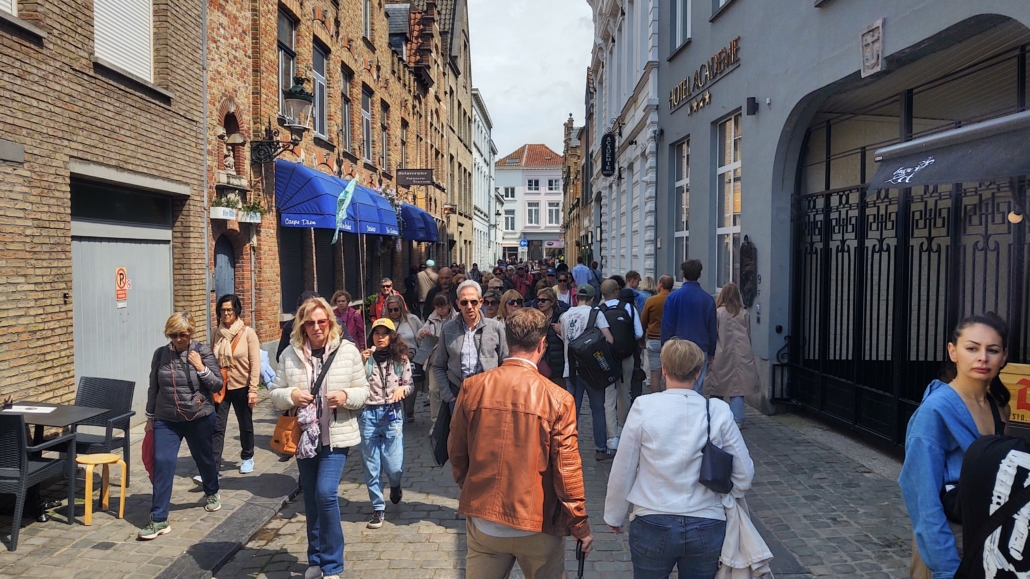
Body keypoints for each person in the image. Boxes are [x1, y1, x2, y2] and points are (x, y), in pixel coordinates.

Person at [449, 308, 594, 578]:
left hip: (486, 523)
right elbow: (567, 470)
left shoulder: (473, 387)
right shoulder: (558, 398)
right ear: (542, 344)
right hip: (537, 523)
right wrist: (579, 524)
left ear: (508, 340)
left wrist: (472, 486)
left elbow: (456, 452)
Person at [604, 338, 754, 579]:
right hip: (706, 521)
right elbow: (744, 474)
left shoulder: (644, 406)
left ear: (663, 369)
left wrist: (614, 514)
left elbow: (624, 467)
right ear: (697, 373)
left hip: (652, 518)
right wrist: (724, 497)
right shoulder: (717, 410)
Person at [899, 313, 1010, 579]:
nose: (982, 357)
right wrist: (947, 569)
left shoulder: (998, 406)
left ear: (1004, 356)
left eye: (992, 350)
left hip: (987, 540)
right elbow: (922, 501)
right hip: (947, 546)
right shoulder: (935, 412)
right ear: (953, 351)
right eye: (972, 348)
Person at [269, 297, 370, 579]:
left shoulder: (347, 352)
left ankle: (333, 564)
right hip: (304, 438)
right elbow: (274, 393)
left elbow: (363, 391)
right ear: (302, 325)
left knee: (325, 494)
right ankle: (315, 559)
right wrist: (291, 395)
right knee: (311, 499)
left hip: (336, 436)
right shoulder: (290, 354)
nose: (316, 327)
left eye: (321, 321)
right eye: (310, 322)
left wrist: (346, 396)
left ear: (330, 323)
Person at [140, 312, 223, 540]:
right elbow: (153, 387)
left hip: (198, 416)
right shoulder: (160, 355)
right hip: (166, 419)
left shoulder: (202, 351)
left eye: (182, 335)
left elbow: (217, 384)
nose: (178, 340)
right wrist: (149, 417)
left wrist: (201, 368)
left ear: (191, 333)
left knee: (204, 458)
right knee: (163, 462)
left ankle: (212, 490)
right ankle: (159, 519)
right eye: (173, 335)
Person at [358, 318, 414, 530]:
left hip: (391, 414)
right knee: (371, 464)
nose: (380, 337)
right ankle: (378, 507)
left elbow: (409, 384)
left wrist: (403, 391)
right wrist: (360, 363)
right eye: (376, 333)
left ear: (392, 336)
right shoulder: (366, 359)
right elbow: (354, 383)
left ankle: (396, 484)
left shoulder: (400, 360)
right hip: (368, 414)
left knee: (393, 465)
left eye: (384, 333)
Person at [432, 280, 508, 411]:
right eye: (464, 302)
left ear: (480, 302)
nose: (469, 306)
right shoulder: (448, 329)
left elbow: (506, 363)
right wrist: (448, 396)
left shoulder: (496, 328)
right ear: (457, 304)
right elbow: (439, 365)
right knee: (458, 432)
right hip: (457, 394)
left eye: (473, 302)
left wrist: (499, 392)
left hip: (488, 396)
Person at [559, 284, 614, 461]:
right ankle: (600, 448)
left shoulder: (565, 316)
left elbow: (564, 339)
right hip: (592, 370)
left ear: (577, 298)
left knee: (571, 411)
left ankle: (568, 447)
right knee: (597, 409)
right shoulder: (596, 314)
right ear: (592, 299)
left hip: (571, 369)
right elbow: (609, 339)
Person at [210, 294, 261, 477]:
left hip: (242, 385)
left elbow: (255, 363)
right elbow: (211, 358)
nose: (225, 313)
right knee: (217, 426)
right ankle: (213, 467)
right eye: (222, 310)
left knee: (245, 423)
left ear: (236, 310)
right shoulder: (216, 333)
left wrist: (253, 389)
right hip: (221, 386)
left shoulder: (248, 333)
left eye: (229, 310)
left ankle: (248, 456)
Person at [705, 283, 761, 428]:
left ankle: (716, 417)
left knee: (717, 386)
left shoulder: (718, 313)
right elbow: (749, 333)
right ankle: (737, 418)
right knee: (737, 387)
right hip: (741, 353)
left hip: (721, 352)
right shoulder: (743, 313)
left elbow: (713, 333)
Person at [660, 259, 718, 395]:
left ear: (682, 274)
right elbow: (712, 328)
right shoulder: (708, 299)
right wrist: (711, 352)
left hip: (676, 347)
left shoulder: (673, 298)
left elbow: (667, 326)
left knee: (675, 385)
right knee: (696, 387)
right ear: (699, 275)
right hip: (700, 347)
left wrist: (664, 347)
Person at [600, 279, 643, 446]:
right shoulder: (628, 308)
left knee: (608, 395)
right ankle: (622, 427)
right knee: (624, 393)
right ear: (617, 291)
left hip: (606, 359)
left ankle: (612, 437)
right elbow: (638, 333)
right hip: (626, 356)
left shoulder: (599, 310)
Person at [418, 293, 458, 426]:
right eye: (437, 306)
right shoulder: (431, 319)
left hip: (452, 359)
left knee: (452, 390)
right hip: (435, 360)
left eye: (443, 306)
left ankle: (453, 421)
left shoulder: (457, 318)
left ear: (449, 305)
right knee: (433, 390)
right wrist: (423, 333)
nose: (440, 309)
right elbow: (421, 332)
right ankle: (436, 422)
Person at [384, 294, 423, 422]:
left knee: (410, 384)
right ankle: (395, 410)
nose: (394, 312)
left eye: (396, 309)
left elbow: (422, 335)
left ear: (401, 308)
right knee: (393, 384)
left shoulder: (412, 319)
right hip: (392, 358)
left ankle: (409, 410)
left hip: (411, 357)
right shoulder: (385, 322)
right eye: (391, 310)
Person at [640, 275, 674, 393]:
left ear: (660, 284)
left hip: (653, 339)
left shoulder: (651, 301)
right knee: (671, 374)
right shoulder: (674, 299)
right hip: (671, 341)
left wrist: (641, 340)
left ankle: (657, 398)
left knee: (655, 374)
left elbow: (643, 321)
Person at [535, 287, 569, 388]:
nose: (540, 303)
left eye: (543, 300)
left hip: (558, 364)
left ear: (552, 302)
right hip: (541, 364)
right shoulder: (536, 317)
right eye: (538, 300)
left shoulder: (562, 316)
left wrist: (562, 330)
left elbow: (571, 338)